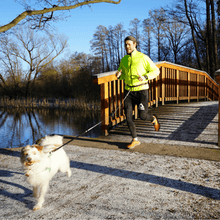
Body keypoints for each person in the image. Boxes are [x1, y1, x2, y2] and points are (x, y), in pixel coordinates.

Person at [116, 36, 160, 149]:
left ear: (135, 44)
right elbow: (123, 75)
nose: (127, 46)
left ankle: (153, 119)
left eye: (129, 44)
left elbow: (156, 71)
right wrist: (119, 76)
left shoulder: (143, 57)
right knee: (128, 116)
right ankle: (135, 139)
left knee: (143, 115)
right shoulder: (124, 59)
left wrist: (145, 76)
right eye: (125, 44)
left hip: (141, 91)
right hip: (128, 91)